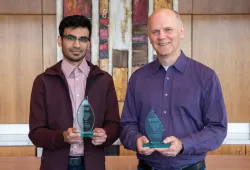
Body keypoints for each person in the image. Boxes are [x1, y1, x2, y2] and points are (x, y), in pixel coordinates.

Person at [120, 9, 227, 170]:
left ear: (181, 32)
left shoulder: (206, 77)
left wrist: (184, 144)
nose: (162, 36)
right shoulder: (138, 78)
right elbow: (127, 124)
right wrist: (136, 140)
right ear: (149, 37)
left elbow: (217, 128)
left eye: (168, 30)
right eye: (155, 31)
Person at [29, 15, 120, 170]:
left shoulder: (104, 80)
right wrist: (62, 137)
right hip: (55, 165)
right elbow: (36, 133)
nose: (77, 45)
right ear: (60, 40)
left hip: (93, 165)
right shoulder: (43, 81)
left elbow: (114, 125)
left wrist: (105, 135)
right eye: (71, 38)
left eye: (83, 39)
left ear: (89, 43)